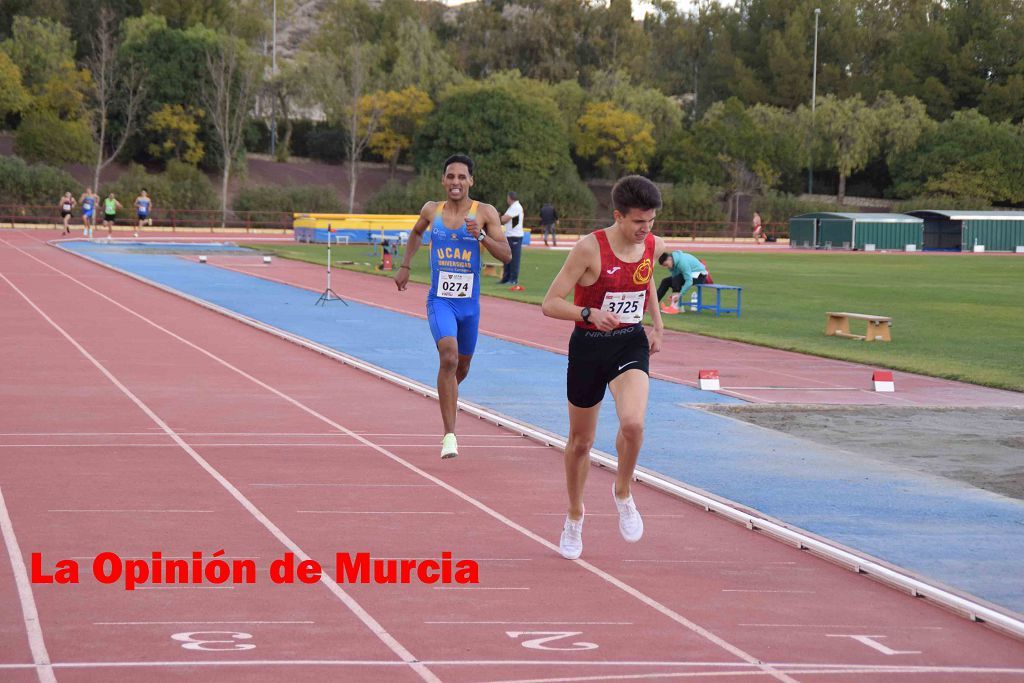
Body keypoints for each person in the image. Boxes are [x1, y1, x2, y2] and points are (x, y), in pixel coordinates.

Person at [541, 175, 666, 560]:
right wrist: (588, 313)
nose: (646, 230)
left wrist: (657, 323)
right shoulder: (588, 249)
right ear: (618, 216)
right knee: (582, 442)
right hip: (589, 347)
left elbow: (645, 284)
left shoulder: (653, 244)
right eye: (638, 223)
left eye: (651, 221)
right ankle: (575, 515)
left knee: (633, 424)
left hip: (629, 342)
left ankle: (623, 491)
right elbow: (549, 302)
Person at [394, 154, 511, 459]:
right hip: (440, 300)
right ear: (443, 180)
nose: (455, 182)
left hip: (469, 306)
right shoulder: (431, 210)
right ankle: (450, 436)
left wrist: (482, 236)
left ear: (471, 181)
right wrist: (405, 265)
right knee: (448, 356)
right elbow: (417, 232)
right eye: (450, 176)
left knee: (461, 367)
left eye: (462, 177)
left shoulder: (484, 213)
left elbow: (507, 256)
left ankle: (447, 392)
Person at [656, 250, 712, 314]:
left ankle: (674, 307)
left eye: (666, 264)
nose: (667, 267)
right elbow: (674, 278)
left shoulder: (682, 262)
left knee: (677, 279)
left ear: (669, 258)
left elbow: (689, 281)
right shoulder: (673, 263)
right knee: (665, 281)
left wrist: (679, 295)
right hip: (691, 274)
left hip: (700, 276)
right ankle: (653, 305)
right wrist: (674, 293)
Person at [499, 191, 524, 289]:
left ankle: (513, 279)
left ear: (509, 198)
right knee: (507, 257)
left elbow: (505, 219)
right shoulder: (514, 207)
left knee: (514, 259)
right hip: (510, 235)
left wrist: (496, 218)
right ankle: (506, 278)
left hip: (515, 236)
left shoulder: (516, 207)